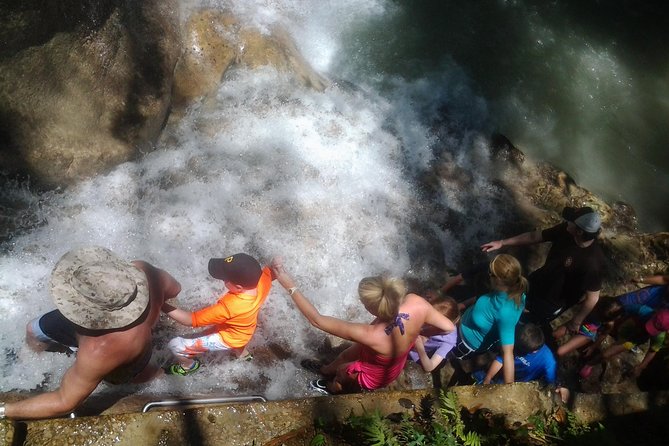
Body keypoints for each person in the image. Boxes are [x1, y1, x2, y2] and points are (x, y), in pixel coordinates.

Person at [0, 246, 181, 420]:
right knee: (33, 329)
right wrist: (153, 309)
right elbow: (175, 288)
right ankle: (30, 356)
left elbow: (64, 401)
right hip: (123, 336)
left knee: (121, 378)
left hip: (122, 350)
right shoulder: (143, 270)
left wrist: (5, 410)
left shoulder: (99, 351)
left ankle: (156, 373)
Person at [270, 258, 456, 395]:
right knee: (345, 355)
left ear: (372, 308)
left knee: (344, 373)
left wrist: (290, 285)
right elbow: (449, 327)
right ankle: (325, 370)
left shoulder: (370, 333)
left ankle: (329, 387)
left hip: (377, 374)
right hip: (393, 360)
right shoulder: (417, 303)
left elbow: (317, 320)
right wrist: (420, 333)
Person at [481, 206, 605, 337]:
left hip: (551, 302)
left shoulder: (594, 263)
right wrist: (502, 243)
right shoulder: (566, 229)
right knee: (506, 303)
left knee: (523, 324)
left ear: (579, 232)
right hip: (536, 280)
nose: (567, 222)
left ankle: (502, 344)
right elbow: (535, 236)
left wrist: (576, 320)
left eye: (571, 222)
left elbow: (592, 298)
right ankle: (488, 329)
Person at [161, 253, 273, 375]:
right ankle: (244, 355)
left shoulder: (229, 307)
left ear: (239, 287)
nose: (223, 281)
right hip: (245, 329)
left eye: (225, 279)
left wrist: (162, 305)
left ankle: (189, 365)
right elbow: (270, 272)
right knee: (238, 333)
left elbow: (190, 320)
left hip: (228, 338)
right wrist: (276, 265)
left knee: (175, 345)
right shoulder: (262, 282)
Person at [455, 254, 528, 384]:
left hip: (464, 343)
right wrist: (463, 305)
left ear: (498, 279)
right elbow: (488, 299)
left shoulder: (505, 312)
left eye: (490, 272)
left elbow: (508, 353)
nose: (488, 274)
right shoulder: (518, 293)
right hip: (465, 326)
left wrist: (510, 389)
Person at [580, 307, 669, 380]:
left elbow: (653, 350)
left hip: (633, 339)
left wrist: (641, 367)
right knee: (603, 328)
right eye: (651, 324)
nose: (648, 328)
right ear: (654, 313)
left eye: (652, 329)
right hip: (625, 325)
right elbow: (622, 309)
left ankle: (590, 364)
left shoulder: (659, 336)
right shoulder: (643, 310)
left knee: (606, 354)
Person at [473, 323, 557, 385]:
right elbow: (501, 359)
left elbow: (551, 382)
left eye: (523, 351)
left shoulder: (548, 361)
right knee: (479, 376)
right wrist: (488, 378)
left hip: (518, 383)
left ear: (534, 351)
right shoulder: (520, 338)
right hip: (503, 372)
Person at [553, 296, 623, 358]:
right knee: (556, 340)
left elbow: (604, 334)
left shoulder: (594, 303)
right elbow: (604, 334)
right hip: (583, 326)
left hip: (584, 328)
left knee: (558, 347)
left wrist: (593, 347)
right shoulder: (595, 303)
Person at [409, 297, 460, 372]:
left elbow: (429, 367)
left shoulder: (448, 342)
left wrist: (420, 348)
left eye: (431, 322)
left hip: (413, 352)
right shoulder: (428, 310)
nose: (426, 321)